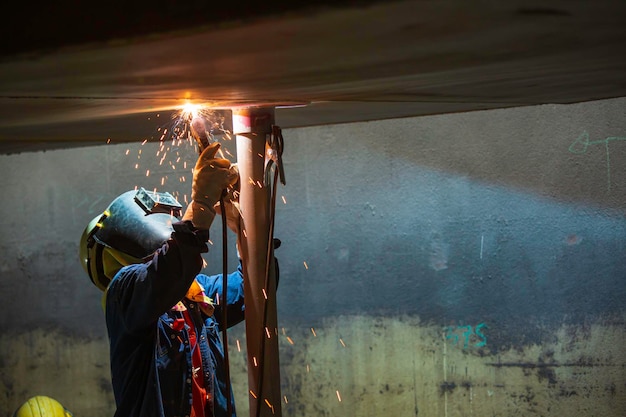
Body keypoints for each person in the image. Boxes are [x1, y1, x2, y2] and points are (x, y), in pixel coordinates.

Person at [80, 143, 244, 417]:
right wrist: (201, 205)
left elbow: (251, 290)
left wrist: (244, 231)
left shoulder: (194, 294)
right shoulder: (125, 293)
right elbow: (167, 272)